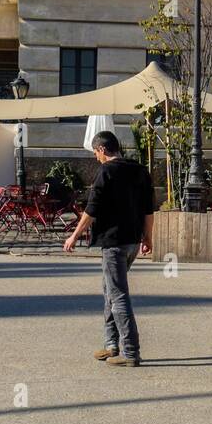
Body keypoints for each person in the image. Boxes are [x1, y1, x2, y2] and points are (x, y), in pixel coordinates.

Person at [64, 131, 154, 367]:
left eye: (95, 153)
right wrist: (148, 237)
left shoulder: (106, 171)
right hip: (133, 241)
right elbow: (148, 209)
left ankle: (131, 352)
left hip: (113, 243)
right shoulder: (140, 170)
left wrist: (73, 236)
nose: (96, 158)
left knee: (118, 295)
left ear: (102, 150)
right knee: (110, 291)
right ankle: (111, 344)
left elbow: (91, 210)